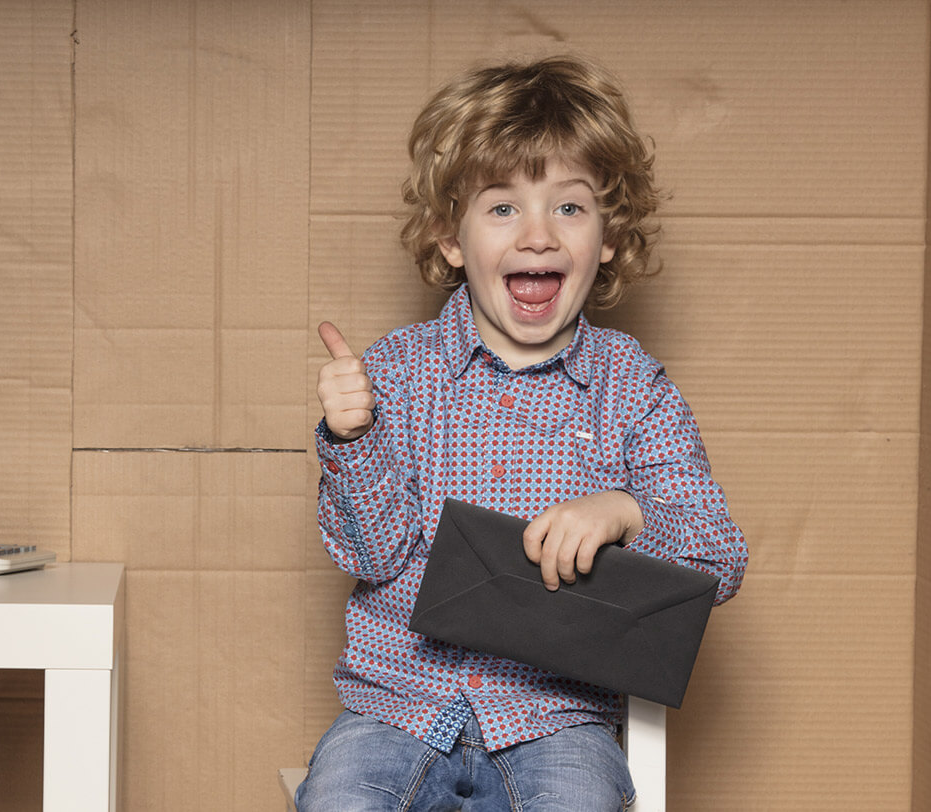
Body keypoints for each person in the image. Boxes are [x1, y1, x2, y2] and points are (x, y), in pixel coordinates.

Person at [299, 55, 748, 811]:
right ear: (450, 237)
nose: (537, 235)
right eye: (502, 208)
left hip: (556, 722)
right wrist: (352, 438)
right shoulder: (397, 373)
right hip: (397, 710)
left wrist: (625, 513)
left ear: (608, 237)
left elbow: (718, 557)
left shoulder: (634, 388)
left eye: (569, 208)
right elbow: (371, 554)